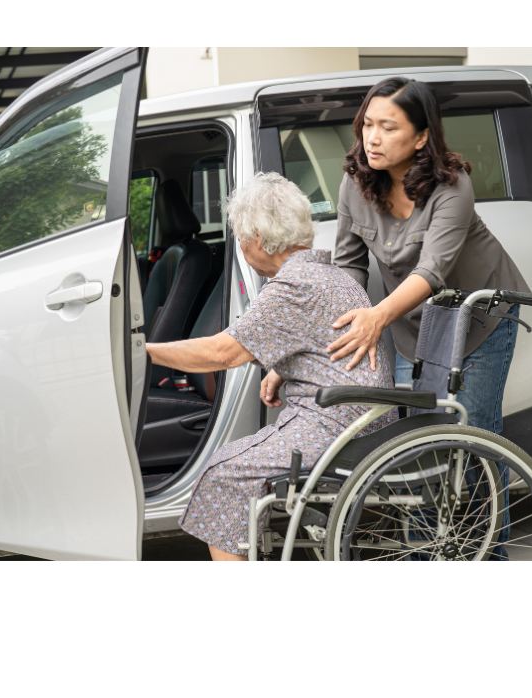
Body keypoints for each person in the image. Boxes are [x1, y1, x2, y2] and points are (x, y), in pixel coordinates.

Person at [328, 77, 532, 559]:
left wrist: (375, 317)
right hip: (412, 329)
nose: (372, 138)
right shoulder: (355, 184)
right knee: (418, 439)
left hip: (478, 315)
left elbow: (432, 271)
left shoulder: (451, 185)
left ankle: (488, 553)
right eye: (367, 126)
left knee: (474, 434)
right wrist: (326, 334)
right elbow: (347, 268)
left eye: (388, 127)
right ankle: (427, 556)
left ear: (420, 137)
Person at [146, 173, 396, 561]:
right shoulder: (327, 276)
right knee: (230, 462)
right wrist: (284, 364)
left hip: (335, 423)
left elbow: (222, 354)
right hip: (354, 416)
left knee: (224, 475)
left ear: (257, 240)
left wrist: (144, 351)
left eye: (242, 240)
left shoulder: (293, 286)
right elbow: (316, 341)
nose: (243, 250)